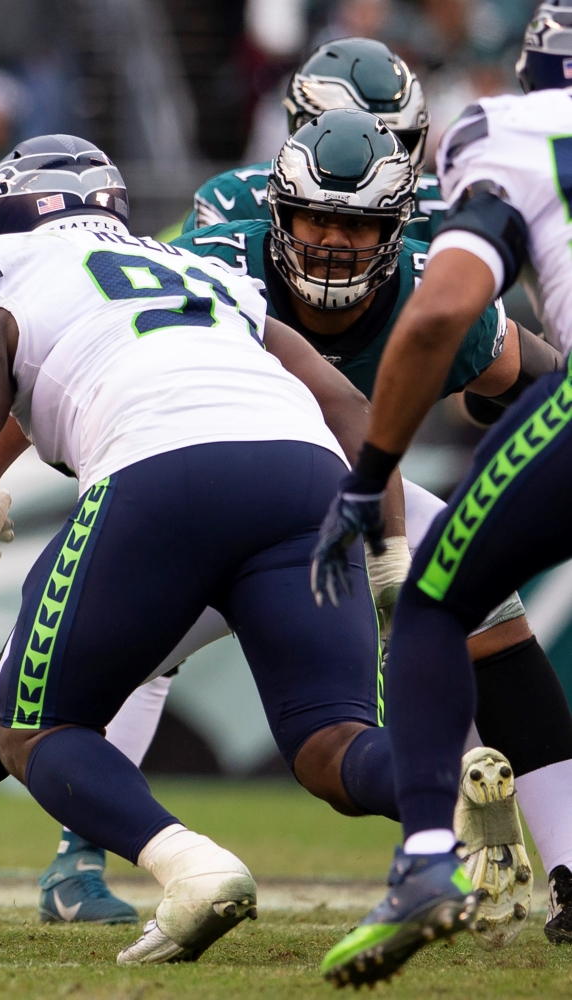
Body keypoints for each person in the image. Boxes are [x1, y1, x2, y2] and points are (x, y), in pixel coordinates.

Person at [0, 135, 406, 966]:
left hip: (162, 476)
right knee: (335, 745)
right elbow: (345, 404)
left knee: (32, 723)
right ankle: (447, 783)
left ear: (2, 210)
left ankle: (188, 865)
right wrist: (391, 555)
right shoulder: (201, 269)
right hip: (309, 477)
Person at [313, 3, 572, 983]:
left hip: (270, 489)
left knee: (434, 595)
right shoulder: (232, 222)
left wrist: (371, 471)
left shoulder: (506, 133)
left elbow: (446, 315)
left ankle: (427, 859)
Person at [181, 38, 445, 242]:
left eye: (399, 142)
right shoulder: (236, 203)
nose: (382, 159)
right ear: (304, 128)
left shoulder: (451, 206)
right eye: (354, 145)